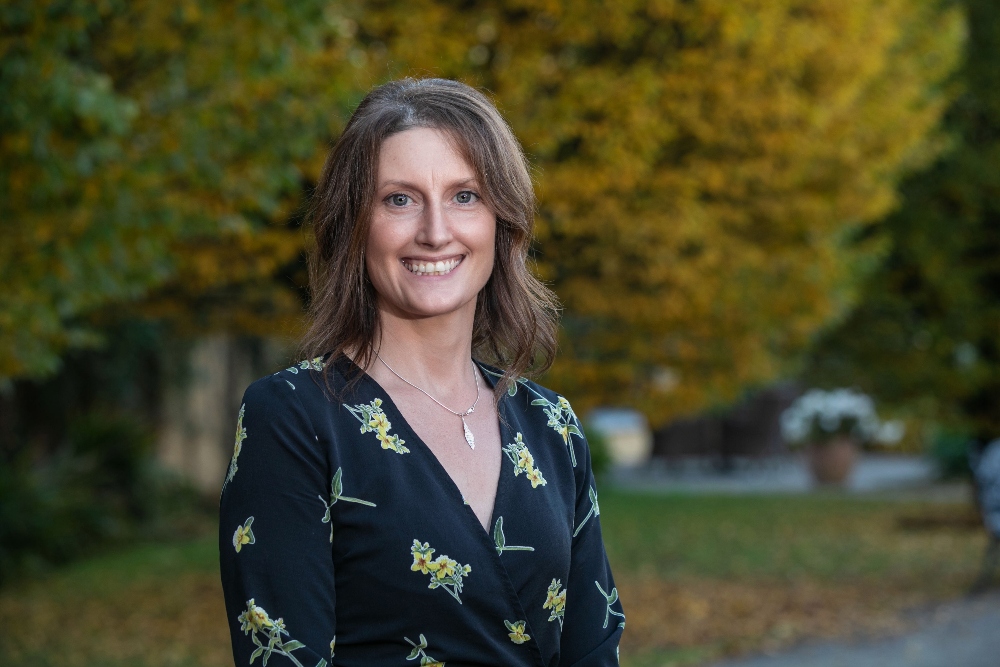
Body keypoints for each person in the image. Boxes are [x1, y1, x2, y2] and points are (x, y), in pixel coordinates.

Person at [219, 77, 625, 667]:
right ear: (353, 224)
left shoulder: (550, 426)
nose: (436, 232)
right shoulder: (293, 418)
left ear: (502, 222)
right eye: (399, 200)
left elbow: (594, 649)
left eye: (465, 196)